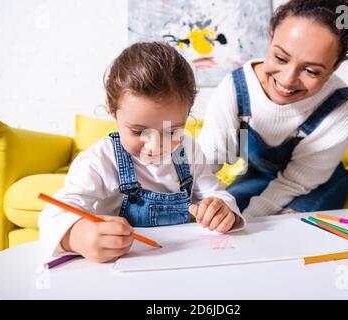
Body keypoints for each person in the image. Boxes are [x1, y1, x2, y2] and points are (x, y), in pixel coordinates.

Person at [39, 42, 246, 263]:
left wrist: (223, 212)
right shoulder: (100, 161)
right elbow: (53, 216)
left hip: (181, 265)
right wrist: (79, 236)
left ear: (188, 113)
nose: (154, 146)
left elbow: (216, 194)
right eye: (138, 132)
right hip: (123, 270)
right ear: (112, 109)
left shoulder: (188, 150)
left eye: (171, 131)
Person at [197, 0, 348, 217]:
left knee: (288, 229)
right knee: (223, 216)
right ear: (271, 35)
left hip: (315, 183)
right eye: (281, 58)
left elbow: (294, 183)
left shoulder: (342, 108)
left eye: (311, 71)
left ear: (335, 66)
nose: (287, 79)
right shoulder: (235, 90)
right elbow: (206, 161)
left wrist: (251, 220)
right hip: (258, 177)